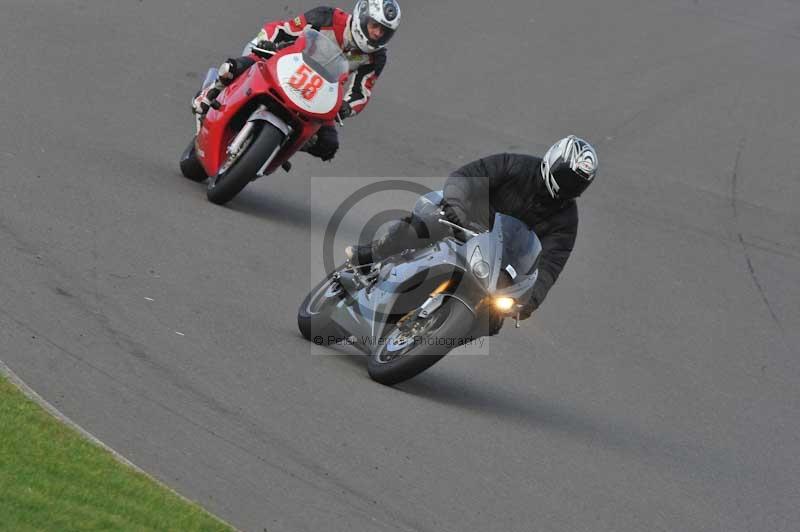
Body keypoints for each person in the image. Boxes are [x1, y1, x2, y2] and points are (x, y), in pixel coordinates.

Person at [346, 135, 599, 331]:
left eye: (578, 183)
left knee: (492, 319)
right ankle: (372, 255)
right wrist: (456, 207)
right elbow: (466, 177)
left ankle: (432, 335)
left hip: (498, 260)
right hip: (463, 224)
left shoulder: (567, 220)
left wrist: (531, 300)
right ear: (553, 161)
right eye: (567, 177)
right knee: (424, 225)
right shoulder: (516, 166)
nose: (570, 187)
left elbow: (551, 264)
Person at [192, 0, 401, 161]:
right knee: (235, 67)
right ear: (362, 16)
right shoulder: (327, 17)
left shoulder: (376, 57)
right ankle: (211, 91)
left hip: (320, 92)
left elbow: (361, 91)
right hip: (284, 64)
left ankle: (280, 146)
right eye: (375, 26)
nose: (377, 33)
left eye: (384, 31)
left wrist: (346, 107)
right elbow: (285, 29)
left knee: (328, 145)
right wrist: (269, 44)